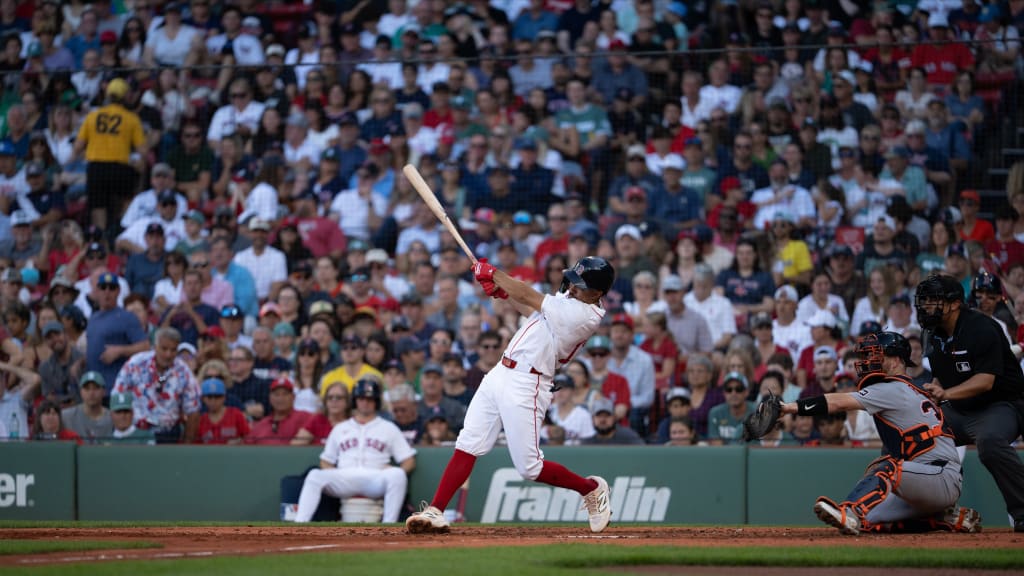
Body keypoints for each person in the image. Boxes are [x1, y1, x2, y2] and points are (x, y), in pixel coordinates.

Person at [405, 256, 616, 534]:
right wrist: (502, 291)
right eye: (574, 282)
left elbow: (529, 295)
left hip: (529, 382)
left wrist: (495, 274)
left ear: (598, 293)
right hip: (501, 372)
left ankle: (591, 489)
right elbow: (531, 307)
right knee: (468, 442)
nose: (574, 288)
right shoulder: (573, 299)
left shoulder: (584, 316)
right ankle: (436, 510)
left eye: (581, 285)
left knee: (529, 467)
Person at [781, 331, 981, 535]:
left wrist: (788, 408)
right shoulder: (908, 388)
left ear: (895, 361)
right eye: (867, 356)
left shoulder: (893, 388)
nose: (868, 361)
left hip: (939, 476)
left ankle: (850, 511)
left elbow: (837, 402)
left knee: (886, 467)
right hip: (924, 480)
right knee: (869, 521)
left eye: (876, 356)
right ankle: (944, 519)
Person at [916, 274, 1024, 533]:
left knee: (989, 442)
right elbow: (942, 374)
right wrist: (936, 389)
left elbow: (985, 381)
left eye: (934, 300)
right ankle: (927, 511)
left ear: (954, 304)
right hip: (962, 409)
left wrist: (946, 394)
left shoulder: (981, 327)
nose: (926, 305)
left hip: (1003, 404)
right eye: (925, 300)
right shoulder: (933, 333)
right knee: (917, 435)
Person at [294, 378, 416, 523]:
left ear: (376, 401)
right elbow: (326, 460)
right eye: (361, 398)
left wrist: (395, 469)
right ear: (355, 401)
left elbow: (409, 460)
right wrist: (333, 472)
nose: (365, 402)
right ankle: (300, 524)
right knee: (314, 475)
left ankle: (388, 525)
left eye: (369, 399)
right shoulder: (340, 428)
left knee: (397, 475)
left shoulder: (388, 428)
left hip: (375, 478)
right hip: (345, 477)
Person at [72, 77, 145, 233]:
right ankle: (125, 229)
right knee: (127, 198)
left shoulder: (92, 117)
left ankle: (101, 237)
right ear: (125, 96)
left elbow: (77, 147)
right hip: (120, 167)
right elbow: (143, 150)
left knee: (98, 206)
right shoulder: (131, 118)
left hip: (96, 167)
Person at [111, 327, 201, 444]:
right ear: (155, 346)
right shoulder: (136, 364)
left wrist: (187, 442)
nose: (168, 354)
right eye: (164, 349)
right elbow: (117, 396)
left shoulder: (183, 371)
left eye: (173, 350)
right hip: (136, 433)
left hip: (168, 434)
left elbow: (193, 409)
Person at [85, 272, 150, 394]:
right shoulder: (93, 318)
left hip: (117, 386)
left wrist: (120, 351)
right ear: (97, 290)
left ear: (118, 291)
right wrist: (81, 362)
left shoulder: (127, 317)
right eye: (103, 287)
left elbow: (145, 347)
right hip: (95, 388)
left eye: (112, 288)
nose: (107, 292)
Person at [247, 376, 312, 445]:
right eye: (276, 394)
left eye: (285, 394)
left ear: (293, 397)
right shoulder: (260, 425)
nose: (281, 398)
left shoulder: (306, 418)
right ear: (270, 398)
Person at [195, 377, 250, 445]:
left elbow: (249, 438)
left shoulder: (236, 414)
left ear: (224, 397)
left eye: (217, 396)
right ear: (203, 398)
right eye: (209, 397)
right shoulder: (201, 421)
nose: (213, 400)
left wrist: (239, 442)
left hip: (233, 454)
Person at [60, 371, 112, 442]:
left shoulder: (113, 418)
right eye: (87, 389)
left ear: (104, 391)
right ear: (81, 392)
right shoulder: (66, 417)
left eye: (96, 388)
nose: (91, 393)